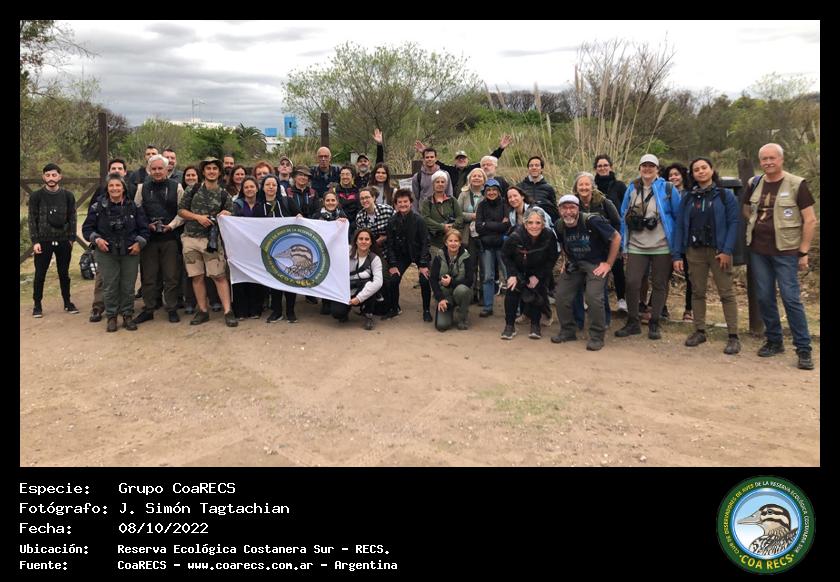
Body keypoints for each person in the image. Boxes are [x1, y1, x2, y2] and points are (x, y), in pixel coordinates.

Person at [744, 143, 817, 370]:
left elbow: (810, 220)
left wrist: (803, 251)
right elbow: (746, 209)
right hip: (759, 251)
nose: (768, 162)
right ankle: (774, 341)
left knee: (791, 298)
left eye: (772, 158)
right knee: (764, 297)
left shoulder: (797, 184)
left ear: (781, 159)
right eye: (764, 159)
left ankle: (803, 348)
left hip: (786, 252)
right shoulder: (755, 183)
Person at [672, 157, 741, 355]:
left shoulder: (725, 195)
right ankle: (699, 330)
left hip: (719, 251)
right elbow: (680, 226)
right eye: (696, 169)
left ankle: (733, 336)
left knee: (726, 293)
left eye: (704, 168)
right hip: (695, 250)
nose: (701, 172)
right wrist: (677, 254)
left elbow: (734, 223)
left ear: (712, 170)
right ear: (692, 174)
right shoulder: (688, 197)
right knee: (697, 291)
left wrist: (727, 250)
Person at [615, 154, 680, 341]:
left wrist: (676, 248)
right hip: (637, 244)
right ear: (639, 168)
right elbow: (623, 215)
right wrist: (624, 245)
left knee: (659, 284)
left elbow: (678, 216)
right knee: (632, 282)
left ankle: (655, 322)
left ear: (657, 169)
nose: (647, 169)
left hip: (662, 245)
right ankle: (633, 322)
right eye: (644, 165)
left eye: (651, 166)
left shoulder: (668, 189)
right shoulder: (632, 188)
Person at [551, 195, 621, 351]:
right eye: (564, 208)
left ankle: (597, 336)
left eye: (572, 208)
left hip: (596, 263)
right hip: (575, 264)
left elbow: (616, 237)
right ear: (559, 210)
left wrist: (608, 264)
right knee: (561, 294)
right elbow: (563, 243)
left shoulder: (592, 221)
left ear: (578, 209)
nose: (568, 212)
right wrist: (565, 261)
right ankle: (568, 331)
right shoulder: (559, 225)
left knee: (593, 297)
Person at [81, 173, 149, 332]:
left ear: (123, 188)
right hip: (106, 252)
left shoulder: (134, 206)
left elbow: (144, 229)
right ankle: (111, 316)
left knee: (128, 286)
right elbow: (87, 229)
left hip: (130, 252)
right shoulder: (98, 207)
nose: (114, 188)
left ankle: (127, 315)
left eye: (118, 185)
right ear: (107, 188)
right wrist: (97, 239)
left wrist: (139, 243)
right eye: (111, 185)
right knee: (109, 285)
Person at [177, 157, 237, 327]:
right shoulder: (192, 189)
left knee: (219, 276)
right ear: (203, 172)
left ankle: (228, 311)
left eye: (214, 168)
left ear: (219, 172)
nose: (211, 171)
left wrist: (227, 213)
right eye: (208, 168)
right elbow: (181, 210)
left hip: (212, 241)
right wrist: (197, 217)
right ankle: (203, 310)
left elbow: (231, 212)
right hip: (191, 238)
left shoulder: (224, 194)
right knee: (197, 277)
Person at [132, 154, 186, 325]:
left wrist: (171, 225)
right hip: (149, 239)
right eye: (153, 169)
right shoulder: (142, 188)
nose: (157, 171)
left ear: (167, 169)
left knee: (171, 275)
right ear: (149, 170)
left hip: (170, 237)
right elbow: (137, 210)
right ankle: (149, 308)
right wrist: (146, 224)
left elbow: (182, 211)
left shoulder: (177, 187)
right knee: (149, 276)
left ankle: (172, 307)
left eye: (160, 168)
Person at [569, 171, 621, 330]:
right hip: (579, 249)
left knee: (599, 288)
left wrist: (614, 249)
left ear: (592, 186)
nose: (584, 187)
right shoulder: (572, 204)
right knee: (576, 287)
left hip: (601, 251)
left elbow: (617, 224)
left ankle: (603, 319)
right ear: (576, 187)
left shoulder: (604, 203)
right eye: (581, 184)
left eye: (587, 184)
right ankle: (578, 321)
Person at [28, 163, 78, 317]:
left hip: (63, 240)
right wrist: (35, 241)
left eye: (54, 175)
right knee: (40, 274)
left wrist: (71, 238)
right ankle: (37, 305)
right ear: (43, 177)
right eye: (48, 175)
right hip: (43, 240)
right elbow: (32, 219)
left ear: (59, 176)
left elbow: (73, 217)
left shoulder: (68, 195)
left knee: (64, 273)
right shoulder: (36, 196)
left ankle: (67, 302)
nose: (51, 178)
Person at [501, 208, 559, 340]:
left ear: (543, 224)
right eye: (530, 222)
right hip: (518, 269)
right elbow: (505, 255)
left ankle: (535, 325)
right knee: (512, 289)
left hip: (538, 270)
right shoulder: (515, 236)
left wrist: (538, 276)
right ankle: (509, 325)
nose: (534, 226)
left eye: (538, 223)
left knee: (537, 290)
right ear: (525, 224)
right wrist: (512, 274)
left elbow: (552, 258)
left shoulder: (549, 236)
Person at [88, 158, 134, 322]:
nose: (117, 171)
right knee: (104, 279)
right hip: (106, 244)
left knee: (126, 279)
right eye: (113, 168)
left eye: (120, 168)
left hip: (126, 243)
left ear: (125, 172)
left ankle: (124, 310)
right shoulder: (101, 192)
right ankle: (99, 307)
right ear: (109, 171)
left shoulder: (132, 191)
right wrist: (96, 238)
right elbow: (90, 221)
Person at [254, 174, 302, 323]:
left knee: (291, 279)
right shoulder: (258, 207)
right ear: (263, 188)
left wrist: (299, 218)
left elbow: (299, 217)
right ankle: (277, 311)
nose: (271, 187)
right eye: (267, 184)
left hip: (288, 248)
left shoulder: (287, 202)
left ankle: (290, 311)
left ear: (278, 187)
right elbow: (253, 228)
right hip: (269, 250)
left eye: (274, 185)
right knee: (274, 281)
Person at [420, 170, 463, 321]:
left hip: (451, 243)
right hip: (434, 243)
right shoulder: (427, 202)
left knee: (452, 270)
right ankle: (439, 297)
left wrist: (451, 227)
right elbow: (425, 219)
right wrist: (441, 227)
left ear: (446, 184)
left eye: (442, 182)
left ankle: (452, 297)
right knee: (436, 271)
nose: (440, 184)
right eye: (437, 182)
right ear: (433, 184)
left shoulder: (452, 200)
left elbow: (460, 217)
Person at [384, 189, 431, 320]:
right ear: (395, 204)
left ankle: (426, 310)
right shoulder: (392, 221)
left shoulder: (419, 220)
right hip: (401, 255)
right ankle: (394, 308)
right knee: (393, 279)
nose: (403, 204)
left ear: (411, 203)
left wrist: (423, 264)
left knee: (424, 279)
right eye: (400, 202)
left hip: (418, 254)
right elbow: (390, 245)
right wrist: (393, 264)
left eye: (405, 201)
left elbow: (425, 243)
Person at [415, 134, 511, 193]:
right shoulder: (449, 170)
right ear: (455, 161)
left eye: (463, 158)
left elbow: (489, 160)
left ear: (467, 160)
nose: (461, 160)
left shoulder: (473, 168)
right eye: (459, 158)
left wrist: (501, 148)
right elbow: (435, 161)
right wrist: (424, 151)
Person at [593, 154, 628, 313]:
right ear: (595, 168)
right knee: (596, 267)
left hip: (615, 230)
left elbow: (625, 208)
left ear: (611, 167)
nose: (602, 168)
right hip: (596, 233)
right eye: (599, 166)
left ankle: (622, 300)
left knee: (617, 267)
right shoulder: (592, 186)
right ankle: (598, 300)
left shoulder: (619, 186)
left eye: (605, 165)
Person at [331, 228, 383, 331]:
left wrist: (359, 298)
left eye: (367, 239)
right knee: (337, 313)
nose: (363, 241)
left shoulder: (375, 259)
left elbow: (378, 282)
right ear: (356, 241)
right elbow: (332, 244)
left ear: (371, 242)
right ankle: (345, 311)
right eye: (361, 239)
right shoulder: (346, 251)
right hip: (345, 289)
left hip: (363, 290)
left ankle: (368, 314)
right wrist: (338, 224)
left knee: (372, 286)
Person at [231, 176, 265, 320]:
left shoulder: (263, 205)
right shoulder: (236, 205)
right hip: (239, 248)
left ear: (257, 188)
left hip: (258, 247)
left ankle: (256, 308)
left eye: (252, 186)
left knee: (256, 277)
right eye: (246, 187)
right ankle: (240, 310)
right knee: (240, 278)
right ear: (242, 190)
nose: (249, 189)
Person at [475, 179, 509, 317]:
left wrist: (487, 224)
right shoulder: (482, 205)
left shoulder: (505, 204)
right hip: (487, 245)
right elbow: (478, 227)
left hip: (503, 246)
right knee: (488, 276)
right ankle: (488, 307)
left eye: (494, 190)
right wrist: (499, 226)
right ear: (485, 192)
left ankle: (515, 308)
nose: (491, 192)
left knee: (508, 276)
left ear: (499, 191)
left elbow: (507, 225)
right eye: (488, 190)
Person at [663, 162, 693, 321]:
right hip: (668, 239)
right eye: (670, 175)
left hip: (687, 240)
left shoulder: (690, 193)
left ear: (682, 176)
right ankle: (660, 306)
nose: (673, 177)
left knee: (691, 276)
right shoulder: (664, 194)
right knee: (663, 275)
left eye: (676, 174)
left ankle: (689, 309)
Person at [430, 230, 475, 331]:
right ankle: (447, 310)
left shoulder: (466, 257)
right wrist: (440, 298)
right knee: (442, 326)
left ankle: (462, 318)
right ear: (446, 243)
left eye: (456, 241)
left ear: (460, 243)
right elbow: (433, 279)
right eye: (450, 241)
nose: (453, 243)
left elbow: (470, 280)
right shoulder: (439, 256)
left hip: (460, 292)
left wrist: (451, 282)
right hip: (444, 294)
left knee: (463, 290)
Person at [518, 155, 558, 222]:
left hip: (544, 222)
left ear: (542, 169)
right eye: (531, 166)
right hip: (524, 221)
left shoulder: (549, 188)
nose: (534, 168)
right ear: (528, 169)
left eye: (537, 165)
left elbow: (554, 209)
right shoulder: (520, 187)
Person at [334, 165, 361, 230]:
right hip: (337, 225)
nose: (345, 177)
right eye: (342, 174)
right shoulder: (334, 191)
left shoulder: (358, 192)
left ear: (352, 176)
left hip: (354, 226)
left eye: (347, 174)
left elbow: (359, 210)